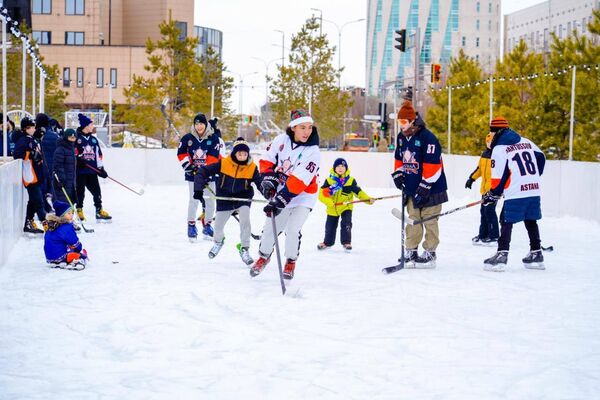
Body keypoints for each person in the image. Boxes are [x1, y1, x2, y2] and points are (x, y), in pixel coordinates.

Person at [250, 109, 320, 280]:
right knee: (270, 229)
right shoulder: (281, 140)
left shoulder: (313, 151)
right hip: (283, 191)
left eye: (310, 127)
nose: (307, 132)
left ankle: (290, 260)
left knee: (292, 229)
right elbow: (267, 161)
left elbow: (299, 181)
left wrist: (279, 200)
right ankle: (264, 256)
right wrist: (268, 181)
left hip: (304, 195)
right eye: (302, 127)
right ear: (293, 128)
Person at [482, 117, 546, 272]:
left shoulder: (499, 149)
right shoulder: (526, 141)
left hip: (516, 191)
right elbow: (541, 157)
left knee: (506, 219)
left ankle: (502, 255)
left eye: (491, 130)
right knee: (530, 219)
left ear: (495, 131)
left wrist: (493, 194)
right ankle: (536, 253)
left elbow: (497, 177)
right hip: (533, 188)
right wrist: (532, 176)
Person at [391, 100, 448, 268]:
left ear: (412, 120)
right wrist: (398, 174)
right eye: (399, 122)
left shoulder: (427, 138)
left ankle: (430, 253)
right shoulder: (402, 137)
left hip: (432, 189)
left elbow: (433, 167)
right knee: (412, 220)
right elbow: (398, 159)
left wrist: (424, 187)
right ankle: (411, 250)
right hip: (411, 187)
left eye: (403, 122)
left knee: (430, 220)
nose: (401, 125)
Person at [193, 137, 262, 264]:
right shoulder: (224, 163)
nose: (242, 156)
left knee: (245, 221)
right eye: (239, 153)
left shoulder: (252, 167)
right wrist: (198, 187)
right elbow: (202, 171)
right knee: (218, 225)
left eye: (245, 154)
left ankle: (244, 248)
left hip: (242, 198)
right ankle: (218, 242)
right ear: (234, 153)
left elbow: (260, 183)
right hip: (224, 198)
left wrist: (268, 193)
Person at [177, 113, 222, 241]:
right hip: (193, 175)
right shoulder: (187, 138)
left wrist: (203, 171)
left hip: (209, 174)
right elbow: (181, 153)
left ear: (206, 124)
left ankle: (207, 225)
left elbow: (213, 157)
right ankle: (191, 225)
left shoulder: (213, 138)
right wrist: (189, 166)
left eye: (201, 123)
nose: (199, 126)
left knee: (210, 201)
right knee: (194, 199)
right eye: (196, 124)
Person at [317, 157, 374, 251]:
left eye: (343, 166)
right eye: (338, 166)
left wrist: (368, 199)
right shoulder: (329, 180)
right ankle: (327, 243)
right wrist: (329, 202)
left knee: (346, 224)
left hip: (346, 207)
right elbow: (321, 194)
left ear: (346, 168)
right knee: (330, 226)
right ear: (334, 168)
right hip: (333, 207)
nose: (340, 168)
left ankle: (346, 242)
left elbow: (359, 192)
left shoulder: (350, 181)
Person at [12, 117, 47, 235]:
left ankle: (29, 221)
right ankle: (45, 223)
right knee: (38, 201)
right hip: (30, 175)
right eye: (31, 127)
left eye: (33, 126)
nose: (33, 128)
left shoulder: (33, 139)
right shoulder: (23, 140)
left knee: (33, 201)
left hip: (37, 174)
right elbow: (16, 154)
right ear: (25, 128)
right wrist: (30, 154)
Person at [75, 113, 111, 221]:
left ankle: (99, 211)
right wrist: (78, 160)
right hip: (80, 172)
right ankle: (79, 210)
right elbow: (73, 153)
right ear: (86, 126)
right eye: (91, 125)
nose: (93, 126)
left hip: (92, 171)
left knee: (97, 192)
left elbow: (98, 155)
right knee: (80, 193)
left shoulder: (94, 140)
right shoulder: (77, 138)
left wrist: (101, 169)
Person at [465, 132, 499, 246]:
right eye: (488, 142)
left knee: (489, 211)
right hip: (484, 190)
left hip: (493, 190)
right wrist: (471, 179)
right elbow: (479, 169)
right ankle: (483, 234)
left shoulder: (498, 155)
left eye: (492, 142)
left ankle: (494, 236)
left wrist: (498, 189)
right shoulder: (484, 154)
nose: (490, 144)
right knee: (483, 212)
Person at [44, 200, 88, 269]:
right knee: (81, 255)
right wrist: (79, 249)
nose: (71, 215)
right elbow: (74, 242)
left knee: (66, 246)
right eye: (69, 213)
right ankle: (77, 260)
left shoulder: (52, 224)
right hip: (61, 256)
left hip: (49, 257)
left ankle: (57, 261)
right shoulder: (66, 227)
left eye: (72, 213)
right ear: (62, 215)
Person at [40, 113, 60, 212]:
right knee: (53, 189)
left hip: (41, 167)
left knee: (42, 189)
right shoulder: (54, 135)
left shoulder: (37, 135)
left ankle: (45, 208)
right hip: (51, 166)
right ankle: (56, 208)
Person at [53, 128, 78, 205]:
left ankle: (70, 215)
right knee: (63, 200)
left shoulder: (72, 149)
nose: (72, 140)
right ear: (66, 137)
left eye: (74, 138)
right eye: (70, 137)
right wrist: (61, 179)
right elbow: (58, 166)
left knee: (71, 199)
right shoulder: (60, 150)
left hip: (71, 180)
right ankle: (64, 216)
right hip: (63, 181)